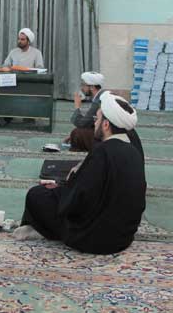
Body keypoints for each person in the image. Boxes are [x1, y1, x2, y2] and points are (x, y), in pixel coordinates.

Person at [14, 93, 146, 255]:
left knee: (36, 195)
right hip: (124, 237)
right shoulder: (133, 151)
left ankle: (40, 229)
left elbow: (78, 199)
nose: (94, 123)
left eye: (97, 119)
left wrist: (60, 189)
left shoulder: (103, 152)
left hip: (94, 239)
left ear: (106, 125)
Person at [65, 71, 109, 152]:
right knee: (78, 132)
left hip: (107, 137)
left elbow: (81, 123)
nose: (82, 88)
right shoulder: (101, 95)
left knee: (76, 133)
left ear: (92, 87)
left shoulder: (99, 101)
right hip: (107, 131)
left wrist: (77, 107)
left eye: (83, 85)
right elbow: (89, 122)